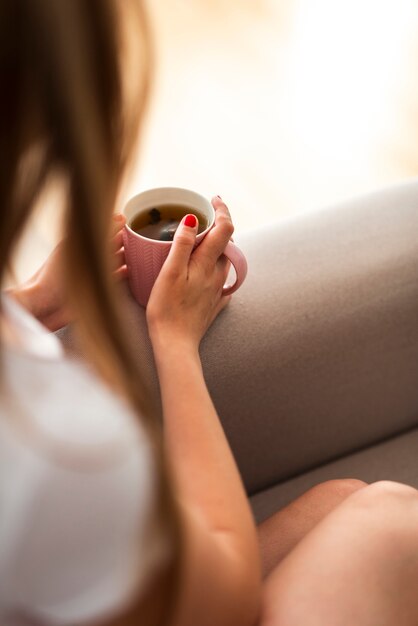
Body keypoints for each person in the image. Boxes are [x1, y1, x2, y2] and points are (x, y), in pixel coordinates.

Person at [2, 2, 418, 625]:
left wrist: (28, 302)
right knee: (391, 523)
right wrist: (173, 338)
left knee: (344, 499)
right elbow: (225, 598)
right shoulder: (52, 438)